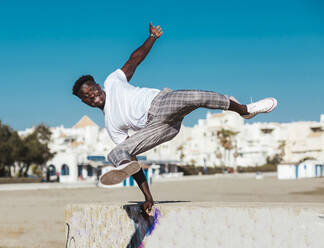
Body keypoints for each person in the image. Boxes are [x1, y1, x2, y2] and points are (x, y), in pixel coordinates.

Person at [72, 22, 277, 213]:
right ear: (85, 102)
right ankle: (121, 165)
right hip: (159, 129)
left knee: (196, 97)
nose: (93, 97)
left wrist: (152, 37)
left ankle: (244, 109)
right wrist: (148, 196)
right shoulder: (111, 125)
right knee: (117, 153)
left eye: (92, 91)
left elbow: (134, 59)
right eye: (87, 98)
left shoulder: (113, 81)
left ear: (98, 86)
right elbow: (134, 157)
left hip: (161, 103)